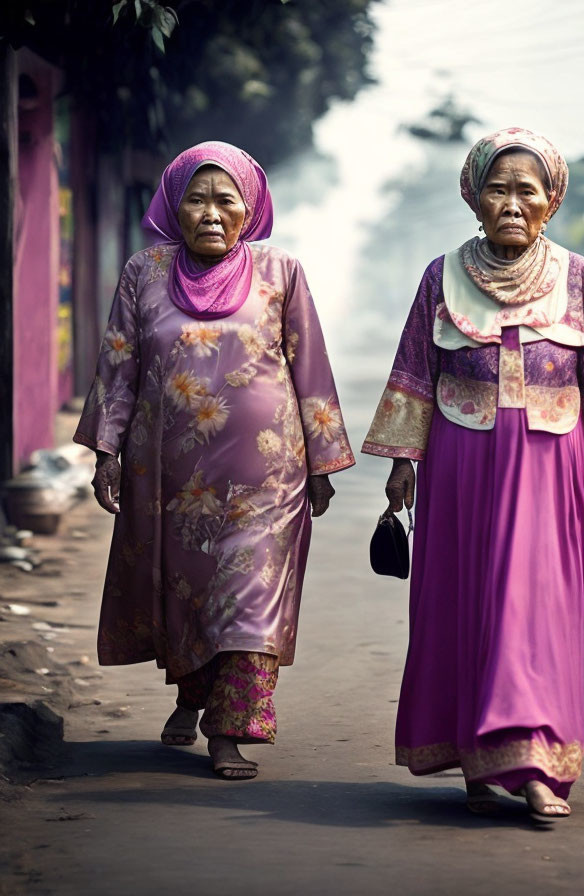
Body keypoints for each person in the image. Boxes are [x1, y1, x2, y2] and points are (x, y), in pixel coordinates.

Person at [362, 127, 584, 820]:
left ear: (550, 200)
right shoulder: (440, 277)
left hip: (552, 471)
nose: (511, 202)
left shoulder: (581, 278)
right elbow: (414, 373)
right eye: (497, 188)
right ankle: (480, 752)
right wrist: (403, 468)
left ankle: (537, 764)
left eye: (526, 190)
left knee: (536, 612)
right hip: (460, 470)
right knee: (469, 604)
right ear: (473, 196)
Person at [74, 142, 354, 779]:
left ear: (250, 207)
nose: (210, 213)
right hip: (169, 478)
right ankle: (190, 696)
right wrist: (107, 451)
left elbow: (309, 366)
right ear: (174, 204)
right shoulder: (145, 272)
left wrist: (321, 461)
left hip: (268, 478)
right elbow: (118, 365)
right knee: (191, 593)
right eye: (195, 199)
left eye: (226, 200)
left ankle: (231, 732)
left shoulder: (281, 271)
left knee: (248, 596)